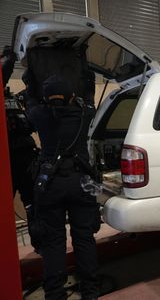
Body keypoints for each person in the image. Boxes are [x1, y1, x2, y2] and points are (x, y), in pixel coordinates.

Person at [25, 75, 99, 300]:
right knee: (84, 238)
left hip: (50, 185)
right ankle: (90, 293)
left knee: (53, 242)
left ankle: (55, 295)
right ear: (71, 96)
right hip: (81, 183)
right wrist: (86, 76)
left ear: (47, 98)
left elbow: (30, 100)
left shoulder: (39, 114)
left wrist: (30, 81)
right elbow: (89, 96)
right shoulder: (85, 113)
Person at [1, 45, 39, 246]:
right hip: (9, 164)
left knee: (34, 206)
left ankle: (40, 246)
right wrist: (8, 58)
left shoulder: (16, 100)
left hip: (26, 159)